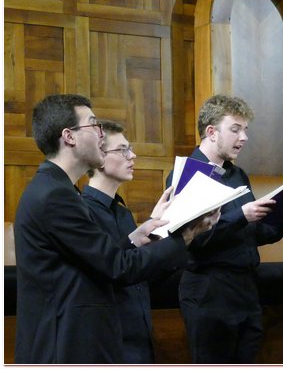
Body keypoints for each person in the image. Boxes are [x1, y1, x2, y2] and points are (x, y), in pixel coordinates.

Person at [14, 94, 216, 364]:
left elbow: (89, 261)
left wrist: (133, 239)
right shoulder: (55, 195)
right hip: (62, 345)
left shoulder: (59, 190)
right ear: (69, 136)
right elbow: (116, 267)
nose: (100, 134)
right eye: (93, 125)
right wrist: (187, 234)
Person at [168, 94, 283, 363]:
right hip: (208, 289)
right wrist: (242, 215)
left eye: (246, 130)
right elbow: (194, 241)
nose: (244, 137)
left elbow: (252, 234)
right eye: (235, 129)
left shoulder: (237, 175)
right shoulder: (188, 172)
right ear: (211, 132)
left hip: (245, 288)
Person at [82, 120, 173, 363]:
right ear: (99, 156)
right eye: (123, 150)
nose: (132, 155)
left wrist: (165, 228)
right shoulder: (82, 212)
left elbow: (138, 273)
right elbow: (109, 271)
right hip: (108, 342)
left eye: (130, 148)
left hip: (138, 334)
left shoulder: (122, 212)